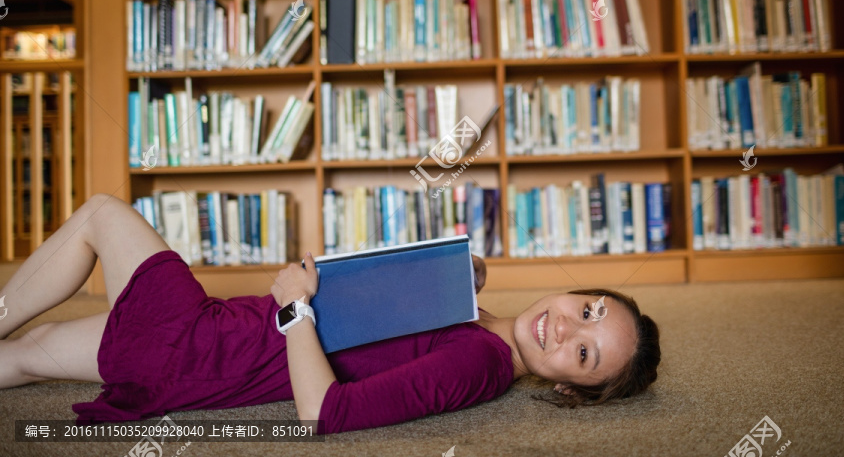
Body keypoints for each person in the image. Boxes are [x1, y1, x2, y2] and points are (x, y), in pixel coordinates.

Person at [0, 193, 660, 434]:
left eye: (583, 352)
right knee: (36, 350)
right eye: (589, 308)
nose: (566, 325)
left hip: (205, 349)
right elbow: (379, 319)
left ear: (570, 388)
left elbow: (325, 413)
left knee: (103, 214)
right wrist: (450, 278)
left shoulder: (479, 364)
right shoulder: (478, 324)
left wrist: (293, 309)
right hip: (220, 338)